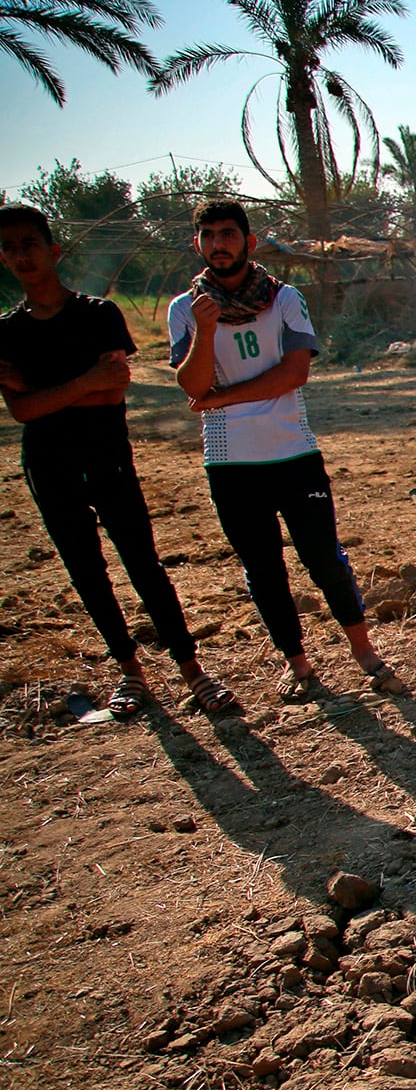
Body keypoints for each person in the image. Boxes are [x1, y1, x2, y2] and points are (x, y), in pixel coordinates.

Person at [0, 204, 235, 718]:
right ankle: (131, 673)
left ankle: (192, 669)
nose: (22, 256)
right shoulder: (7, 331)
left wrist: (48, 391)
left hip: (108, 460)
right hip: (48, 467)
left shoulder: (97, 315)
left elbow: (112, 393)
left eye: (30, 244)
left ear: (53, 250)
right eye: (11, 247)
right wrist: (83, 382)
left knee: (144, 566)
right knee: (87, 572)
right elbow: (21, 411)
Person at [168, 200, 405, 704]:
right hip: (230, 462)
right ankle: (299, 666)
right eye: (208, 235)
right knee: (263, 568)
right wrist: (205, 332)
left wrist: (221, 396)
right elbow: (189, 381)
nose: (218, 243)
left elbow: (294, 373)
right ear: (198, 245)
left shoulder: (284, 299)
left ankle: (364, 652)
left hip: (294, 454)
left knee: (324, 558)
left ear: (249, 242)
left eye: (228, 234)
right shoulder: (185, 310)